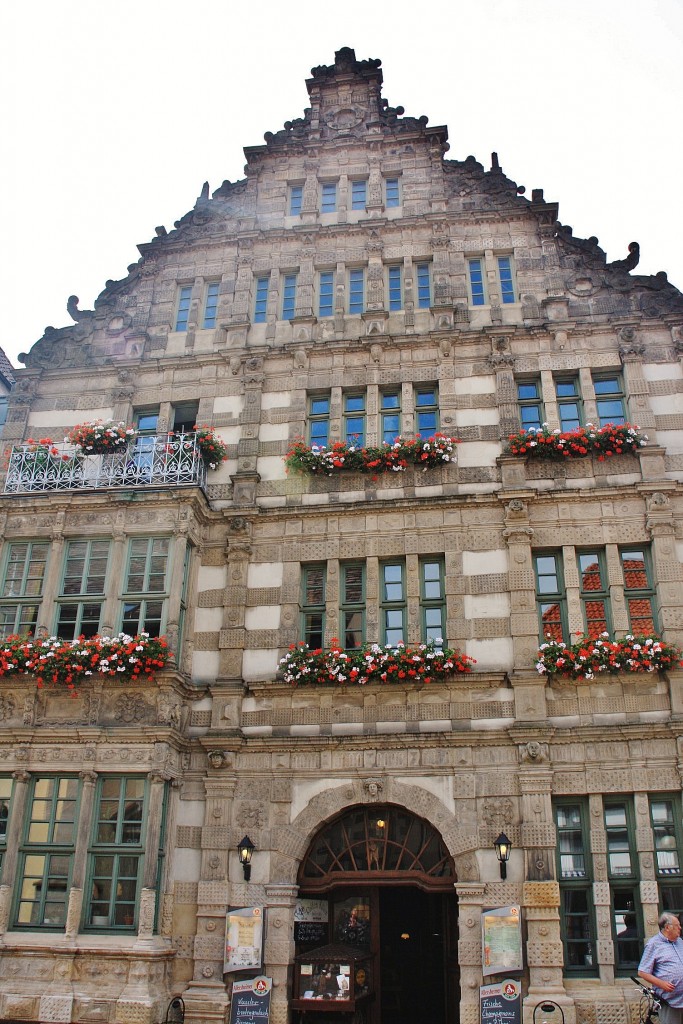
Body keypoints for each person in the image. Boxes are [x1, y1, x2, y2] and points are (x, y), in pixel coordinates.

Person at [639, 912, 683, 1024]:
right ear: (668, 927)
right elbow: (642, 972)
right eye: (677, 925)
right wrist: (661, 984)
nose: (680, 927)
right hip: (670, 1001)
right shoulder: (653, 944)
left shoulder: (680, 942)